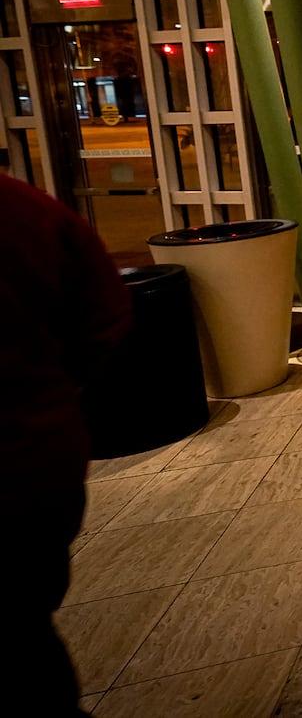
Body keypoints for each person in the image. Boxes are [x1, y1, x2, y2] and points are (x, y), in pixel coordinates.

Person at [0, 174, 132, 716]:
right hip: (28, 473)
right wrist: (48, 394)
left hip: (26, 463)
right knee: (22, 639)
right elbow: (105, 319)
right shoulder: (25, 210)